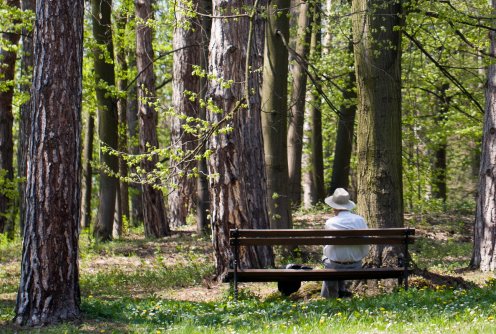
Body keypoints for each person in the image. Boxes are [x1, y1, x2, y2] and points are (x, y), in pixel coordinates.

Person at [321, 188, 369, 299]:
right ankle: (341, 292)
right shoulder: (360, 220)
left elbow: (327, 244)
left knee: (327, 259)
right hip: (356, 264)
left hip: (335, 265)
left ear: (334, 207)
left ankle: (329, 297)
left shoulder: (330, 222)